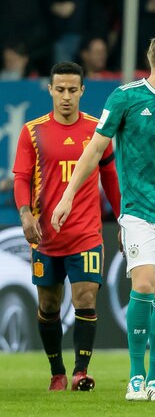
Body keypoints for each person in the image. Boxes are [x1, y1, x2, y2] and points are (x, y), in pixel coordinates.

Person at [51, 32, 155, 402]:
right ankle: (136, 378)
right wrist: (67, 196)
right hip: (137, 212)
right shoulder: (125, 98)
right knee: (143, 286)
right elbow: (93, 151)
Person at [12, 61, 121, 391]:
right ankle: (57, 370)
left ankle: (80, 372)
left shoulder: (97, 130)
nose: (66, 97)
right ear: (50, 90)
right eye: (60, 90)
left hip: (86, 233)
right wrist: (25, 216)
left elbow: (110, 177)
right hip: (45, 236)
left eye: (73, 90)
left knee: (85, 298)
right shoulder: (33, 131)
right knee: (48, 305)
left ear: (82, 91)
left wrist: (123, 219)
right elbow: (20, 178)